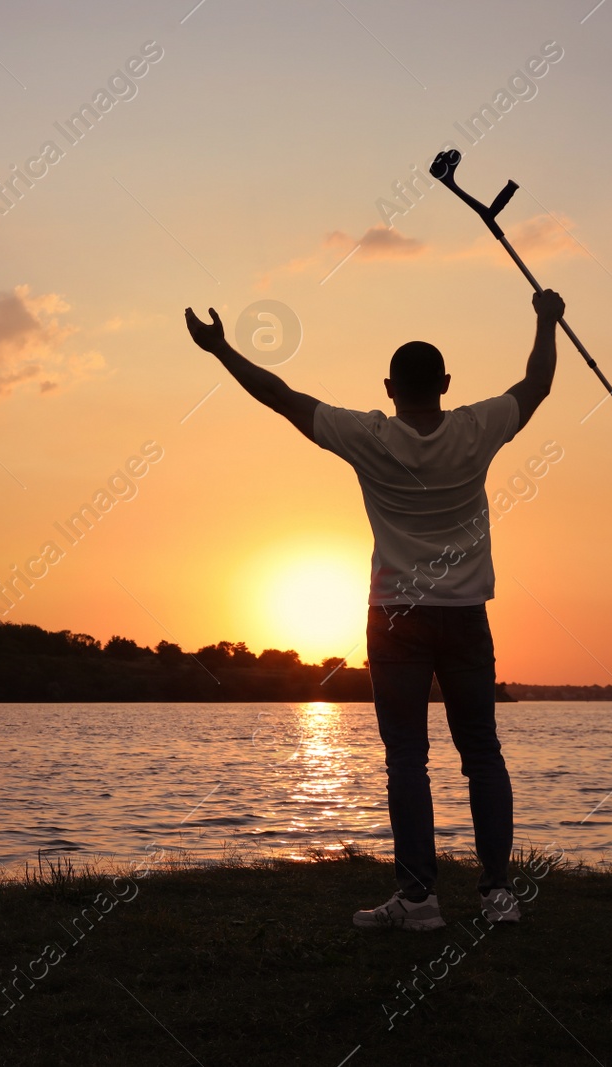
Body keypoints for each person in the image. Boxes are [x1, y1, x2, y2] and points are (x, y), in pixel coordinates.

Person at [183, 288, 565, 930]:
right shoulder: (477, 427)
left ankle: (419, 901)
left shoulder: (368, 434)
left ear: (389, 387)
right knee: (483, 754)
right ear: (446, 383)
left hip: (396, 618)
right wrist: (546, 320)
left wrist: (221, 348)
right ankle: (497, 896)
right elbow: (538, 383)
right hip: (467, 614)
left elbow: (281, 397)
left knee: (406, 758)